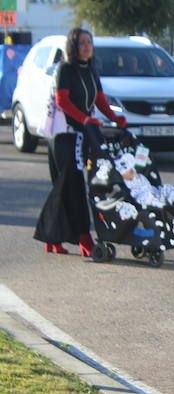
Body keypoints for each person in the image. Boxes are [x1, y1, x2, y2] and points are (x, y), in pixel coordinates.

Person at [34, 27, 126, 256]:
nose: (87, 46)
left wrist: (114, 117)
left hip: (82, 134)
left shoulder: (91, 70)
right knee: (71, 185)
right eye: (82, 43)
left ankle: (51, 236)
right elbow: (62, 101)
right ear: (73, 47)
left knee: (65, 186)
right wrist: (85, 118)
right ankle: (83, 236)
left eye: (89, 42)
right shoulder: (65, 69)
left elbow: (100, 98)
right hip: (65, 135)